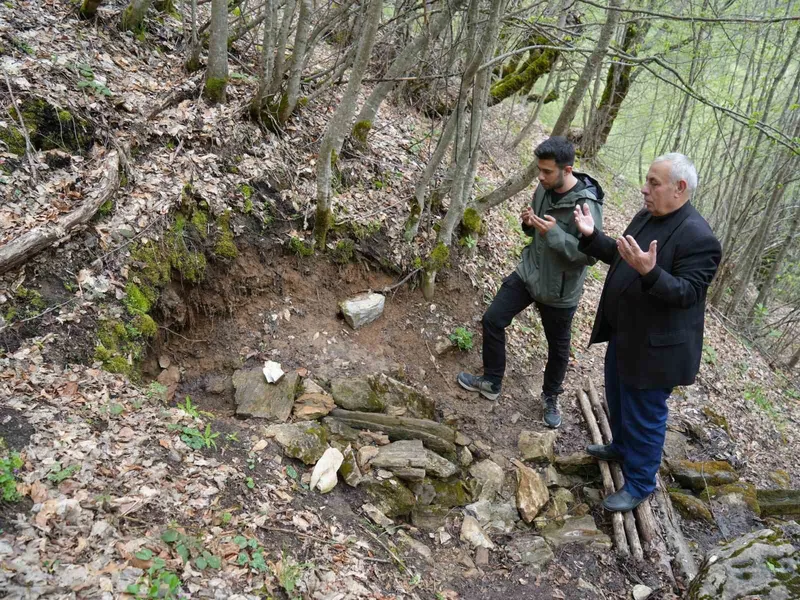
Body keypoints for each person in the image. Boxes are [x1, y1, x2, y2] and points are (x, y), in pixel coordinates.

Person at [573, 152, 721, 512]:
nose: (644, 189)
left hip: (657, 350)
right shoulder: (647, 215)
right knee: (619, 398)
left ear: (679, 188)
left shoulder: (700, 238)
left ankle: (640, 483)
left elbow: (686, 293)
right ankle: (621, 447)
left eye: (654, 183)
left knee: (646, 414)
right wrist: (594, 237)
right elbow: (624, 254)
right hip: (626, 334)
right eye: (647, 180)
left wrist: (650, 273)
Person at [458, 136, 604, 428]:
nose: (541, 176)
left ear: (567, 169)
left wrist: (555, 234)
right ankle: (492, 381)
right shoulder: (544, 187)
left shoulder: (586, 204)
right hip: (529, 273)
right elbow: (533, 232)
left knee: (558, 349)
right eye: (540, 169)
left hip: (559, 290)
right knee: (493, 319)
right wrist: (528, 223)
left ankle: (551, 396)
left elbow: (590, 255)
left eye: (547, 171)